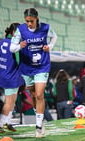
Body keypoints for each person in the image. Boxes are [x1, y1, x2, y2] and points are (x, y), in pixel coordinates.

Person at [10, 8, 57, 138]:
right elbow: (12, 48)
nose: (29, 24)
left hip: (42, 66)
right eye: (27, 21)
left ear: (37, 18)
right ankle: (40, 117)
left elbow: (54, 37)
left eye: (31, 21)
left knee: (40, 94)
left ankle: (38, 126)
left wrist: (50, 47)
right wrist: (20, 46)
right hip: (27, 67)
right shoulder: (21, 30)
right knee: (33, 94)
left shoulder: (46, 27)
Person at [0, 23, 25, 134]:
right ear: (13, 32)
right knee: (9, 102)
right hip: (11, 75)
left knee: (12, 101)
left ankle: (8, 122)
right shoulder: (14, 44)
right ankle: (0, 125)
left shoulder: (2, 42)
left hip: (3, 73)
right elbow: (18, 61)